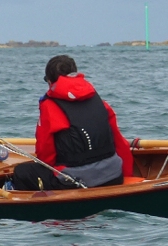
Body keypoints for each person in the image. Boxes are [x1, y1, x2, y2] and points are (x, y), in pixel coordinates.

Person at [11, 55, 134, 191]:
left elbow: (46, 155)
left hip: (76, 182)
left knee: (22, 172)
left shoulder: (49, 106)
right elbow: (119, 141)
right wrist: (126, 174)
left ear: (50, 81)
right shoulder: (98, 101)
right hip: (114, 177)